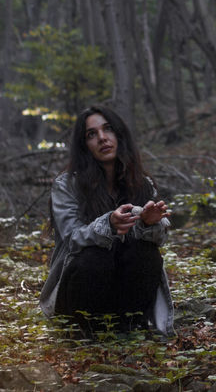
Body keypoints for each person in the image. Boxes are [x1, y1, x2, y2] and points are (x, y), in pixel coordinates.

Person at [38, 106, 174, 336]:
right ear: (85, 146)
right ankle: (86, 332)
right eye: (92, 134)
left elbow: (159, 241)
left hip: (124, 295)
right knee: (94, 256)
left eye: (108, 129)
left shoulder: (142, 184)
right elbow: (72, 237)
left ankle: (128, 325)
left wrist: (149, 223)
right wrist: (108, 224)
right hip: (80, 298)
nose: (102, 138)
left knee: (146, 253)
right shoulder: (66, 186)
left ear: (119, 135)